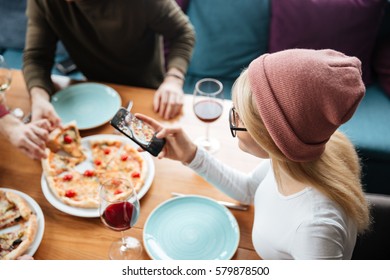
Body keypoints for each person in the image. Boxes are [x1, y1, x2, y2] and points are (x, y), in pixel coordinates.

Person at [136, 49, 371, 259]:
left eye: (239, 116)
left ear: (274, 135)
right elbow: (250, 190)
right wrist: (191, 155)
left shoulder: (315, 230)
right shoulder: (292, 157)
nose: (233, 120)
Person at [23, 0, 195, 126]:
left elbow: (183, 33)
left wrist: (174, 79)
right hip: (91, 96)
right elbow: (37, 57)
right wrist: (39, 98)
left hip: (146, 93)